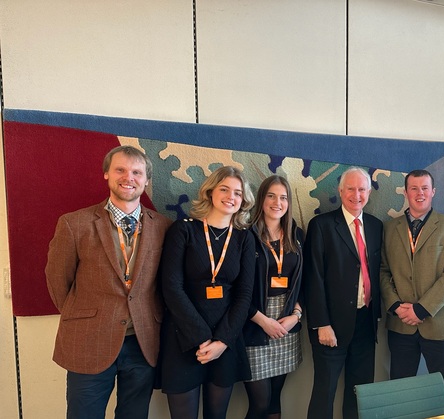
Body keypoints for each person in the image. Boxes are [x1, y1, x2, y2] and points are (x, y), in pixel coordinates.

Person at [45, 145, 172, 419]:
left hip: (143, 342)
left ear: (147, 180)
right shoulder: (74, 224)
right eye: (121, 170)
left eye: (137, 172)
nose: (129, 177)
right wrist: (84, 315)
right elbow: (58, 280)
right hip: (88, 341)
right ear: (106, 174)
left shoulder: (164, 227)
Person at [158, 166, 256, 419]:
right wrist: (202, 338)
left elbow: (244, 295)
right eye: (224, 189)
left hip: (225, 338)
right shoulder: (184, 229)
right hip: (183, 337)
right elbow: (171, 287)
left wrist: (222, 341)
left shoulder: (244, 238)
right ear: (210, 191)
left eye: (237, 192)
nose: (231, 197)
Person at [379, 169, 444, 412]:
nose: (419, 193)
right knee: (400, 390)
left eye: (424, 188)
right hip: (401, 323)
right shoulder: (389, 228)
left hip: (441, 323)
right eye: (414, 188)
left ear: (433, 192)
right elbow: (383, 271)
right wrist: (396, 306)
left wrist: (422, 309)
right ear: (405, 193)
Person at [304, 167, 382, 419]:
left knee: (360, 393)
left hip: (365, 323)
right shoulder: (322, 225)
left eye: (361, 189)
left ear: (369, 193)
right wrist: (321, 324)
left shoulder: (376, 226)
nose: (356, 195)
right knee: (324, 392)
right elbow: (312, 278)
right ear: (340, 191)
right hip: (331, 326)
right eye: (350, 188)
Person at [243, 175, 304, 419]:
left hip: (287, 320)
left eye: (283, 197)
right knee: (260, 402)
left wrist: (296, 316)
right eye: (271, 196)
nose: (277, 202)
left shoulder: (296, 235)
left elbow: (305, 281)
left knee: (275, 399)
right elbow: (237, 288)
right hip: (254, 321)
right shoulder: (247, 235)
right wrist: (262, 320)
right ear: (261, 199)